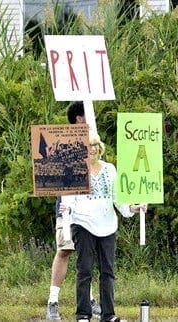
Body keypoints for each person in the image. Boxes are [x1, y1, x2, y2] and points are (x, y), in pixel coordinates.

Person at [59, 134, 147, 322]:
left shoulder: (110, 170)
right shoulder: (75, 170)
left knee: (108, 271)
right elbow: (69, 199)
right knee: (85, 269)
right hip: (83, 224)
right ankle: (83, 313)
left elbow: (118, 199)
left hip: (107, 225)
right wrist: (67, 208)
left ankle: (108, 315)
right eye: (88, 146)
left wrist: (133, 208)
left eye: (95, 145)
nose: (91, 149)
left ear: (100, 148)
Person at [46, 102, 101, 320]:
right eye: (88, 116)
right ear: (79, 119)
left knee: (86, 255)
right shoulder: (64, 142)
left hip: (90, 208)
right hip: (69, 207)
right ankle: (53, 302)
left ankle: (89, 300)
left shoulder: (95, 144)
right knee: (65, 249)